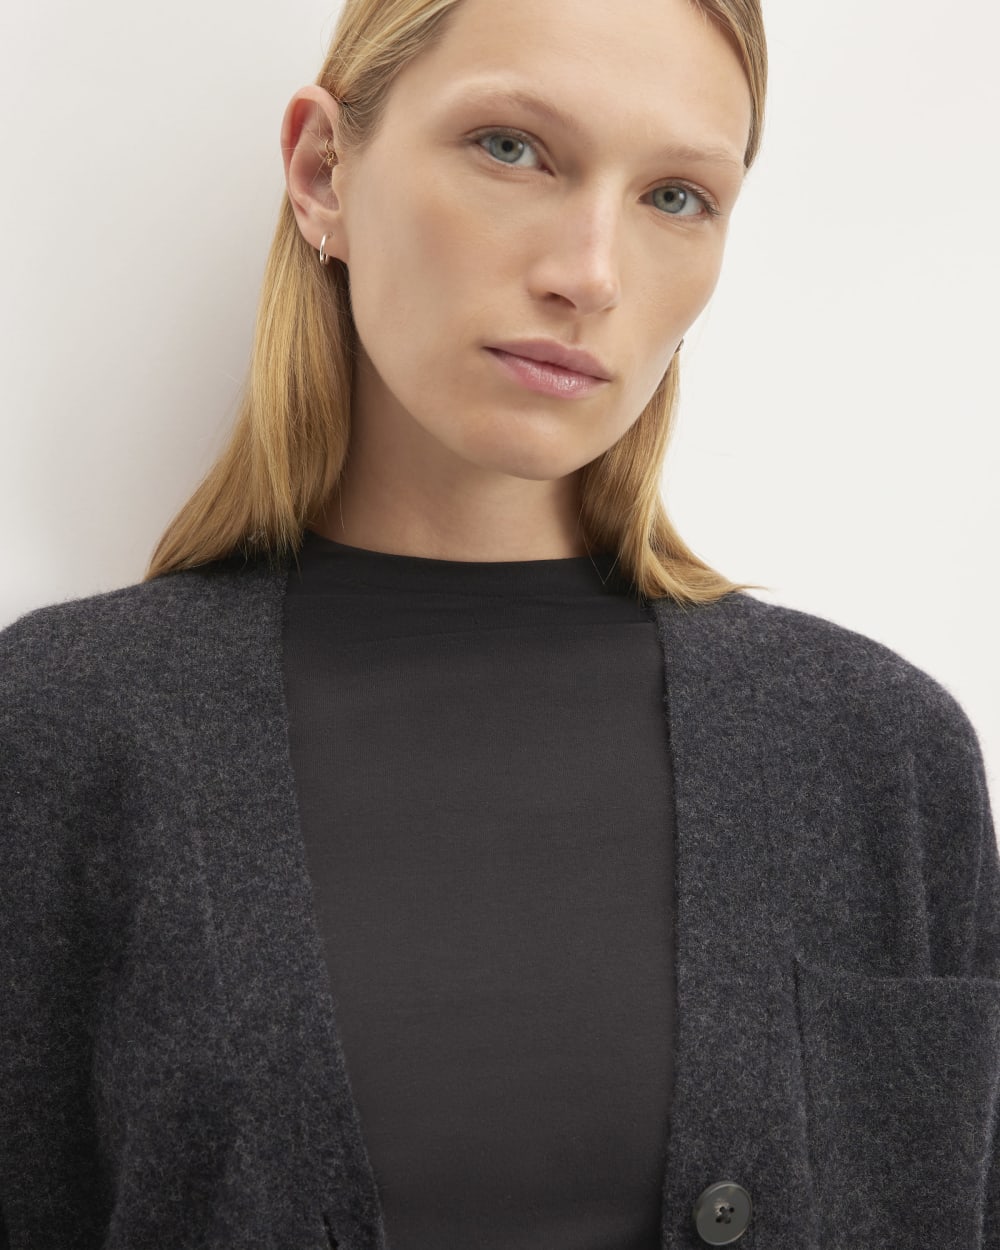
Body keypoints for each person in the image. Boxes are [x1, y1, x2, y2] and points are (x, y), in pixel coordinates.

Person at [1, 0, 997, 1247]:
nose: (591, 272)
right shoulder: (62, 727)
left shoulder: (877, 754)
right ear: (323, 172)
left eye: (676, 196)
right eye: (512, 148)